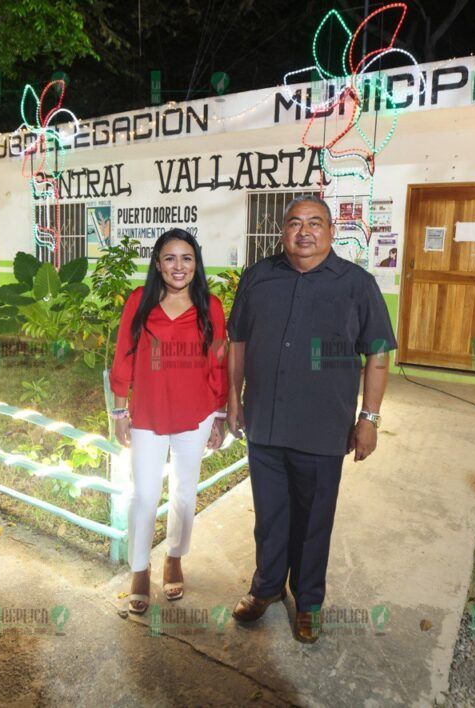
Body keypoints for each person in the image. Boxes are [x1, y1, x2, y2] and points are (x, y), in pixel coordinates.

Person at [226, 195, 397, 643]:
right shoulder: (258, 278)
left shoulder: (356, 284)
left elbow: (378, 352)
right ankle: (265, 589)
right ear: (283, 231)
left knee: (313, 518)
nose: (304, 232)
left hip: (323, 426)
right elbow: (238, 343)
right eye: (294, 223)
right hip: (265, 422)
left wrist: (370, 417)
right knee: (270, 515)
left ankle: (309, 602)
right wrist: (233, 397)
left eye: (314, 223)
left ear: (330, 230)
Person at [109, 228, 228, 615]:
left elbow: (218, 360)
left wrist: (220, 414)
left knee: (183, 492)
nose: (179, 266)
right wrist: (119, 409)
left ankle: (174, 556)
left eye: (187, 258)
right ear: (158, 265)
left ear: (196, 264)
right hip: (147, 414)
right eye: (171, 258)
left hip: (196, 414)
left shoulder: (210, 305)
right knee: (144, 494)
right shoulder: (139, 301)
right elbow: (124, 354)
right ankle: (140, 568)